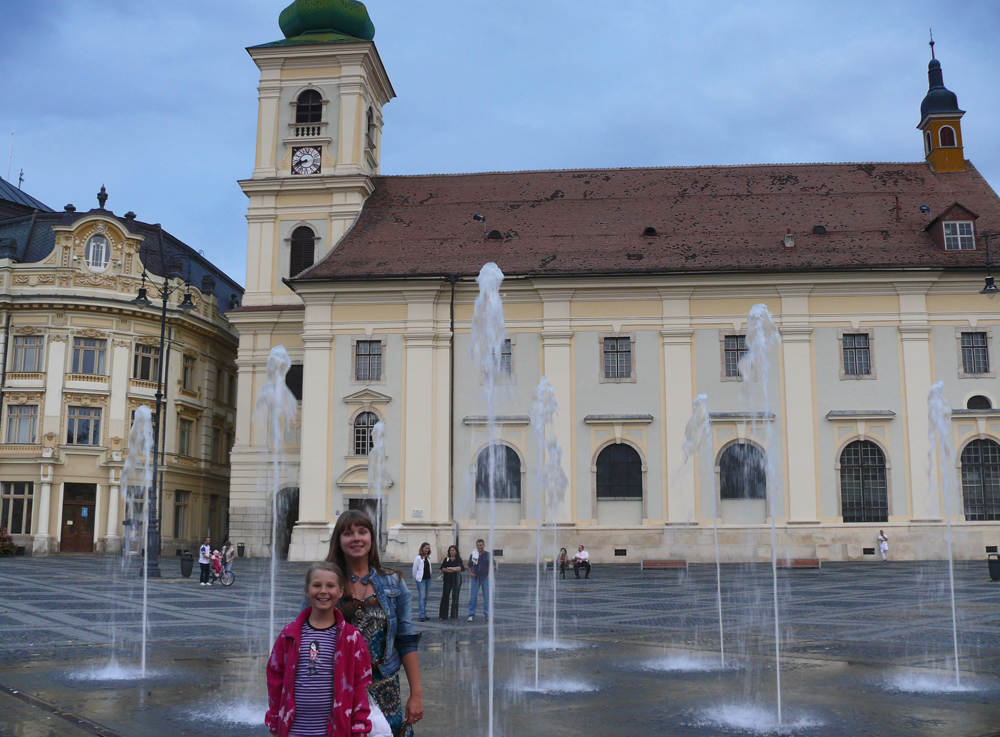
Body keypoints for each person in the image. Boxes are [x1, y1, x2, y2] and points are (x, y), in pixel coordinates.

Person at [328, 510, 423, 737]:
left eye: (363, 532)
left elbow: (406, 641)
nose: (356, 538)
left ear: (371, 538)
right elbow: (307, 637)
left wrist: (416, 694)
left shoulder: (394, 582)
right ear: (339, 541)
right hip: (336, 685)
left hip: (384, 687)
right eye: (348, 533)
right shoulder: (325, 582)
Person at [265, 562, 373, 737]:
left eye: (330, 586)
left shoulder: (352, 638)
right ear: (307, 591)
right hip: (294, 731)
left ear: (340, 592)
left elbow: (361, 686)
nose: (323, 591)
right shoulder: (289, 635)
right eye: (317, 585)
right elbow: (275, 681)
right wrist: (275, 725)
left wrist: (359, 729)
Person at [438, 545, 464, 621]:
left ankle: (454, 615)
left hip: (456, 579)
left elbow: (460, 568)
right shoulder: (446, 559)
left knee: (455, 597)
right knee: (445, 596)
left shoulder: (458, 559)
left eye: (453, 550)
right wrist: (452, 569)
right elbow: (443, 569)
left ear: (456, 552)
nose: (452, 552)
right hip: (447, 579)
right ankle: (443, 615)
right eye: (450, 550)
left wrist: (449, 568)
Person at [467, 539, 491, 622]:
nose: (479, 547)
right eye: (478, 545)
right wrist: (471, 573)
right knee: (473, 597)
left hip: (485, 577)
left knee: (487, 597)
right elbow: (469, 565)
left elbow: (492, 565)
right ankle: (471, 614)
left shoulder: (487, 555)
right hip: (475, 577)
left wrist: (489, 575)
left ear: (484, 545)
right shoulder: (473, 554)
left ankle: (487, 614)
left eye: (481, 545)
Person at [411, 542, 433, 622]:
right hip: (421, 580)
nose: (427, 550)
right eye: (425, 548)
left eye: (428, 548)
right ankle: (421, 614)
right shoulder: (418, 558)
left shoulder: (427, 558)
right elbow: (414, 570)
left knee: (426, 597)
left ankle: (424, 612)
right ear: (422, 549)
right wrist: (416, 578)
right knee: (422, 597)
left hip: (428, 579)